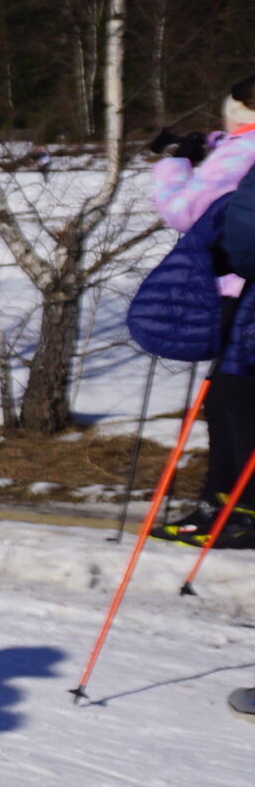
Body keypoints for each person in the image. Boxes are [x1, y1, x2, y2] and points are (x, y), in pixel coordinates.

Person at [136, 74, 255, 552]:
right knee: (228, 400)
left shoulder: (243, 152)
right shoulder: (238, 149)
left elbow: (186, 211)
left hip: (238, 290)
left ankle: (236, 510)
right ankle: (221, 503)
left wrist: (175, 164)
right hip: (241, 289)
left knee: (233, 403)